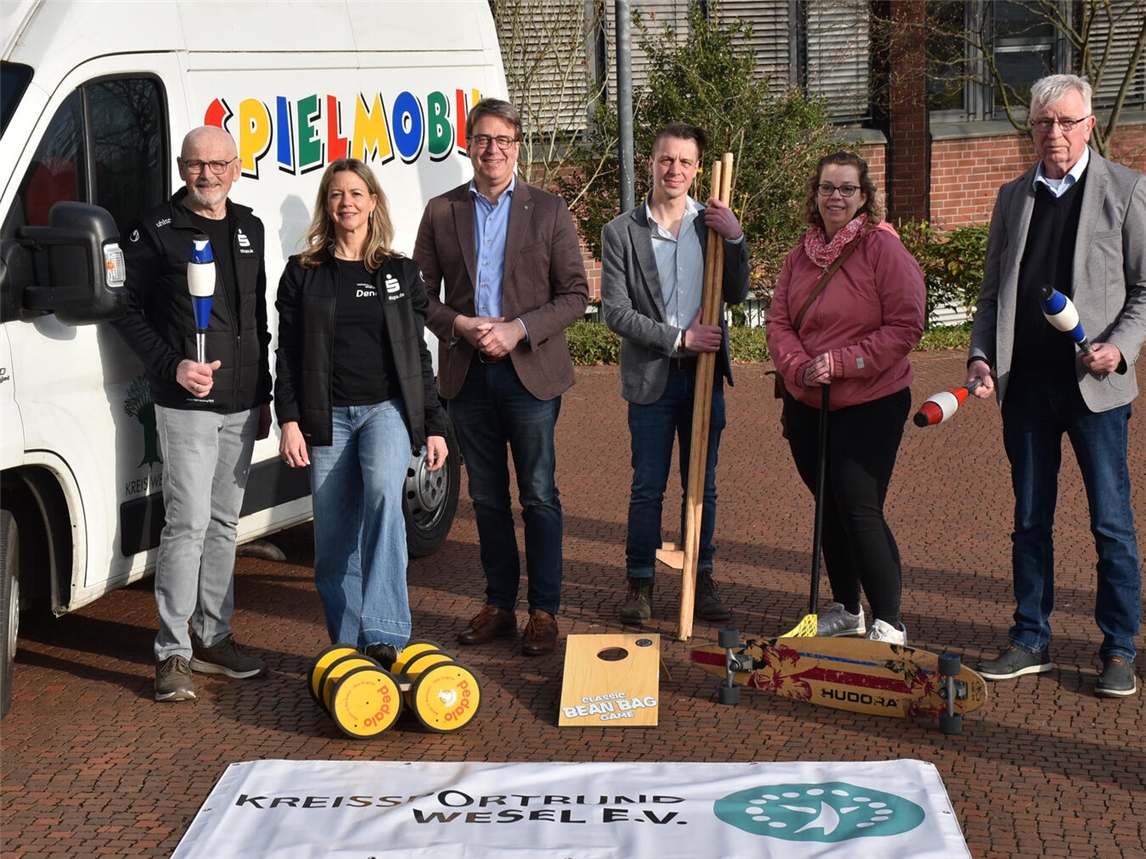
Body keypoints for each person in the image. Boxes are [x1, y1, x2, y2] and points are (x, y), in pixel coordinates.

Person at [967, 75, 1146, 698]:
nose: (1056, 133)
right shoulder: (1012, 196)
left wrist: (1119, 346)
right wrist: (982, 357)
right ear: (1032, 127)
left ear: (1089, 124)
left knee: (1111, 525)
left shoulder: (1124, 191)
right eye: (1044, 122)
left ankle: (1120, 647)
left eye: (1068, 122)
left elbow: (1143, 291)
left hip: (1095, 393)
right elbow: (992, 295)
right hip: (1027, 390)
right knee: (1029, 520)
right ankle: (1030, 637)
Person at [413, 98, 589, 657]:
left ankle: (544, 610)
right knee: (487, 498)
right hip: (466, 377)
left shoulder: (549, 209)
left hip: (529, 375)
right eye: (483, 140)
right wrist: (460, 324)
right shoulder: (442, 212)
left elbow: (576, 296)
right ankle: (499, 605)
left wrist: (517, 329)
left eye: (504, 141)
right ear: (468, 145)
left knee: (538, 494)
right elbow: (418, 296)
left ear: (518, 147)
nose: (493, 150)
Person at [112, 126, 272, 702]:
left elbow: (257, 318)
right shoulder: (153, 232)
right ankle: (173, 652)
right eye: (195, 165)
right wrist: (172, 365)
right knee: (188, 524)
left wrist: (266, 395)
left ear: (236, 167)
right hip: (187, 403)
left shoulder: (248, 227)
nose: (207, 175)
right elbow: (124, 309)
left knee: (227, 524)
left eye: (218, 164)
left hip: (243, 400)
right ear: (182, 167)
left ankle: (213, 635)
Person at [274, 159, 448, 669]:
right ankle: (348, 648)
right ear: (326, 206)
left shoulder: (400, 272)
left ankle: (385, 632)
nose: (346, 202)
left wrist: (434, 426)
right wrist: (288, 419)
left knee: (380, 499)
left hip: (385, 411)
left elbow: (418, 356)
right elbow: (286, 355)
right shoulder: (302, 274)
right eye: (335, 194)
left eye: (356, 192)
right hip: (326, 416)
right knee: (331, 536)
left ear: (373, 201)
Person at [765, 150, 925, 646]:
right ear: (815, 195)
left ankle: (889, 620)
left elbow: (906, 325)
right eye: (827, 188)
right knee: (827, 505)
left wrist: (842, 362)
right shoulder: (801, 253)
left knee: (859, 506)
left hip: (870, 400)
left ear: (863, 196)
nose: (836, 197)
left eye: (847, 189)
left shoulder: (882, 248)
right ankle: (846, 607)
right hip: (809, 401)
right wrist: (796, 367)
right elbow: (778, 321)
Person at [600, 122, 749, 625]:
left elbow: (736, 293)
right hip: (652, 377)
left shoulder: (711, 222)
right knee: (648, 486)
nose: (675, 169)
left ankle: (700, 576)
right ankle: (639, 583)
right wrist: (680, 338)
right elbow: (615, 313)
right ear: (651, 163)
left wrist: (737, 240)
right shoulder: (621, 231)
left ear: (697, 170)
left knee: (701, 485)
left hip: (705, 375)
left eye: (685, 162)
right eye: (667, 159)